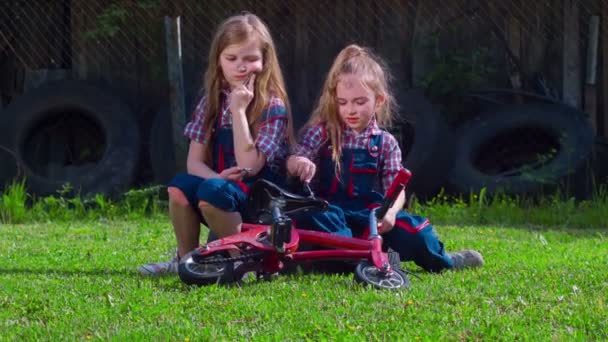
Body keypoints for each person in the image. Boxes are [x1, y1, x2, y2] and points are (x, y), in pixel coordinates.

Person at [287, 45, 483, 272]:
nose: (350, 110)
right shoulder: (320, 133)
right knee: (313, 217)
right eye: (343, 102)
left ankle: (446, 261)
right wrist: (298, 163)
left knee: (417, 233)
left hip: (372, 219)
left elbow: (397, 190)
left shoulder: (386, 143)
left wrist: (390, 214)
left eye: (359, 102)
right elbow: (294, 159)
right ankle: (358, 257)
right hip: (331, 214)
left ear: (378, 101)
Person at [139, 12, 294, 275]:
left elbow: (249, 166)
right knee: (179, 186)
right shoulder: (210, 103)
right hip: (222, 186)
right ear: (219, 61)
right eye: (231, 58)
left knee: (213, 192)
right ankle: (186, 262)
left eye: (251, 59)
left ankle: (243, 261)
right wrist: (217, 178)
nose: (241, 67)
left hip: (259, 198)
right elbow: (193, 162)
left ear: (265, 61)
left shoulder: (272, 106)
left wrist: (239, 111)